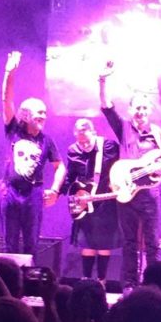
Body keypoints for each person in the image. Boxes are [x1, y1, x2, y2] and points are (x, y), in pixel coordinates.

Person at [99, 63, 161, 288]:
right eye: (137, 108)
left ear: (149, 111)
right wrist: (102, 80)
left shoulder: (158, 134)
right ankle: (129, 285)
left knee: (152, 243)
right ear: (130, 110)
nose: (140, 112)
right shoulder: (124, 128)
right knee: (129, 243)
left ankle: (154, 286)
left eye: (144, 108)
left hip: (149, 194)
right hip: (126, 193)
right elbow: (106, 107)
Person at [0, 50, 66, 255]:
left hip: (33, 194)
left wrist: (55, 190)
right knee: (9, 242)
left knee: (31, 243)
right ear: (26, 114)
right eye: (39, 112)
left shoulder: (46, 140)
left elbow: (60, 167)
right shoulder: (14, 131)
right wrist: (9, 72)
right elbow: (6, 100)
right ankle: (9, 273)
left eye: (45, 113)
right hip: (10, 191)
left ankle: (29, 274)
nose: (43, 116)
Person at [64, 118, 121, 282]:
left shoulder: (109, 146)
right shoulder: (73, 150)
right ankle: (86, 280)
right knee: (86, 243)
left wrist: (117, 182)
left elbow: (121, 166)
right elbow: (70, 176)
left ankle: (101, 281)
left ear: (93, 133)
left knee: (104, 244)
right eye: (80, 142)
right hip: (84, 202)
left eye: (87, 141)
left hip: (105, 202)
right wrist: (61, 192)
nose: (84, 145)